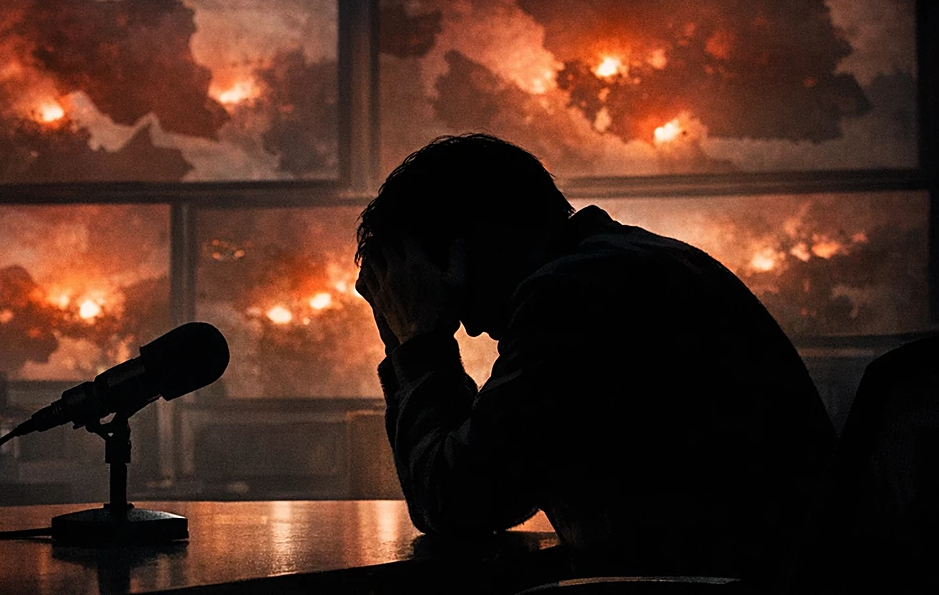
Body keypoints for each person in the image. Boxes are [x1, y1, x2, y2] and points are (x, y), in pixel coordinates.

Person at [354, 134, 836, 583]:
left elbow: (456, 500)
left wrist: (417, 342)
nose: (472, 325)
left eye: (429, 287)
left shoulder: (574, 295)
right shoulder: (623, 264)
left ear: (462, 249)